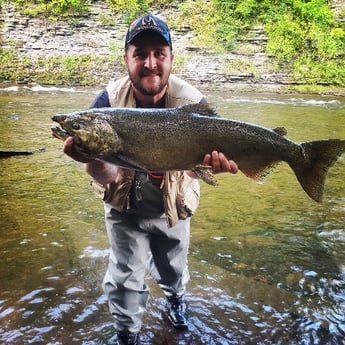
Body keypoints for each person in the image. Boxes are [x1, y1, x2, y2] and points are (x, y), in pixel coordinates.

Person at [63, 14, 238, 345]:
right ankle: (127, 333)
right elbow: (107, 173)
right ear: (126, 58)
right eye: (140, 53)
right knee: (124, 279)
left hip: (173, 207)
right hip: (124, 208)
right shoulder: (106, 103)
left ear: (171, 57)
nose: (150, 64)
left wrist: (210, 166)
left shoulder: (191, 101)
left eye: (159, 53)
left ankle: (174, 301)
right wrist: (91, 158)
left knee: (173, 270)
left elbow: (190, 171)